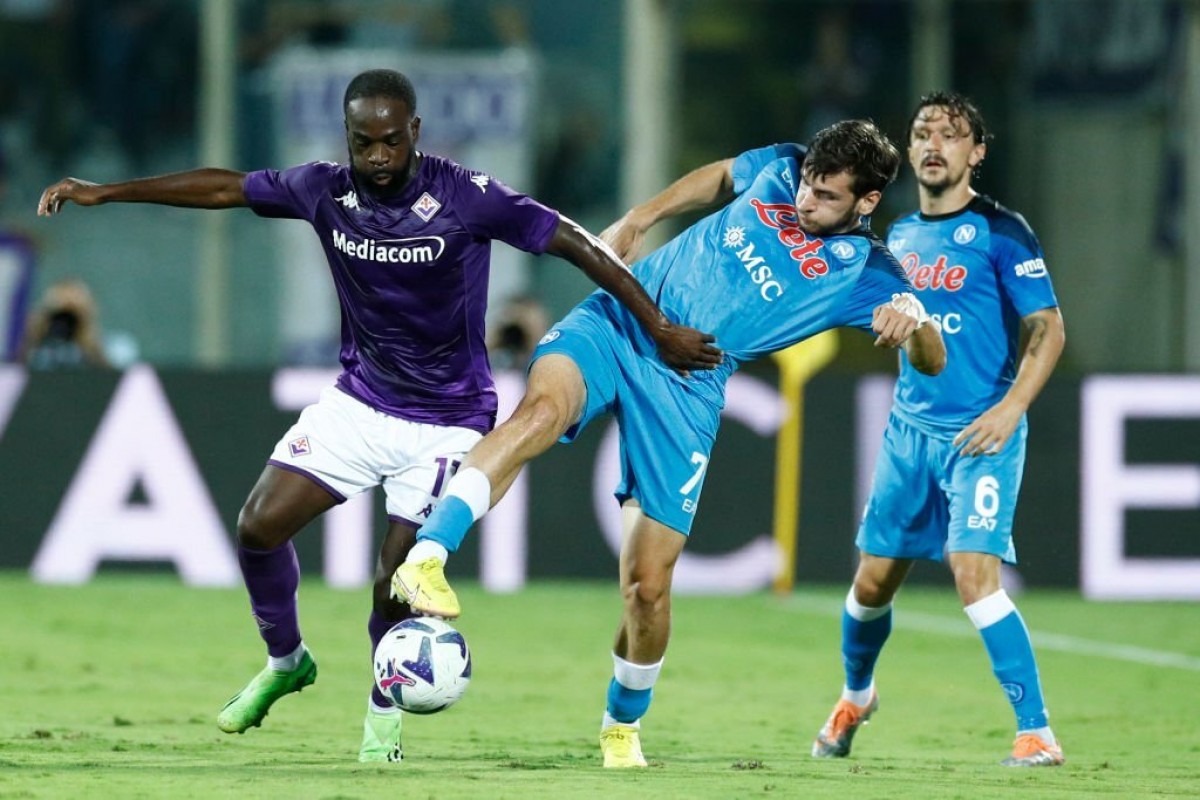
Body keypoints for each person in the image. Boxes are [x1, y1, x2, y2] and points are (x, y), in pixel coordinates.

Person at [36, 68, 721, 763]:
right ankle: (286, 662)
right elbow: (226, 188)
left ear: (414, 131)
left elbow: (572, 240)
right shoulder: (323, 190)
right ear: (348, 136)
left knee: (396, 578)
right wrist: (107, 192)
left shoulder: (466, 196)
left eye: (392, 140)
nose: (379, 156)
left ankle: (381, 728)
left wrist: (657, 325)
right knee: (257, 528)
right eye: (364, 143)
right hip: (360, 402)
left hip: (449, 421)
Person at [389, 119, 947, 767]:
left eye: (826, 196)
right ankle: (428, 553)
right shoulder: (782, 165)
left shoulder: (869, 272)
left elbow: (933, 360)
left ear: (867, 201)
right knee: (540, 412)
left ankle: (621, 725)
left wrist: (916, 322)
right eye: (806, 185)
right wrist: (641, 217)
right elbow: (720, 176)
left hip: (690, 385)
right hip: (621, 322)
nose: (805, 200)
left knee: (648, 587)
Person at [809, 92, 1066, 767]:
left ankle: (1036, 732)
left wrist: (1011, 409)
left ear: (976, 152)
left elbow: (1048, 328)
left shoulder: (1002, 232)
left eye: (951, 135)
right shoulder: (895, 236)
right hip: (907, 434)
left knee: (973, 575)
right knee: (870, 586)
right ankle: (855, 696)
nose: (933, 143)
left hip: (980, 434)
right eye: (923, 132)